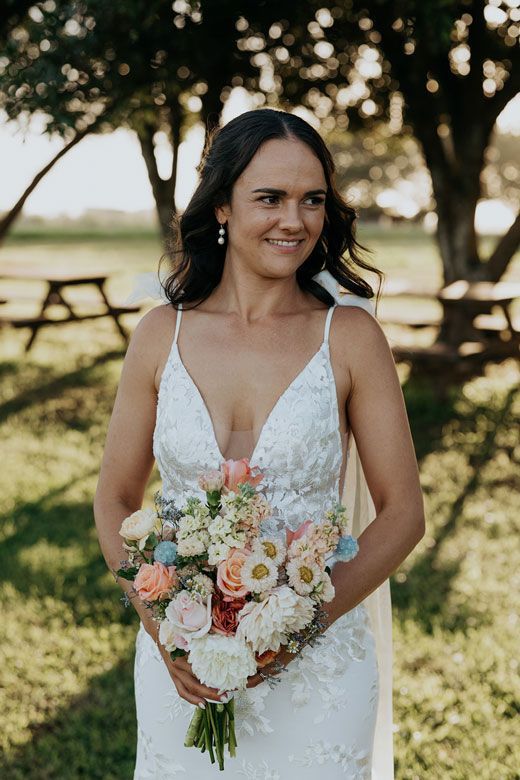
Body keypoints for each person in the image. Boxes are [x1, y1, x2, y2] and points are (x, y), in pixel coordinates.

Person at [94, 108, 425, 779]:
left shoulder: (352, 338)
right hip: (182, 661)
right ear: (222, 206)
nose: (295, 221)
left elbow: (403, 514)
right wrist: (165, 632)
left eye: (313, 201)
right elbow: (115, 496)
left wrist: (294, 627)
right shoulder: (162, 334)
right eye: (270, 198)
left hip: (319, 672)